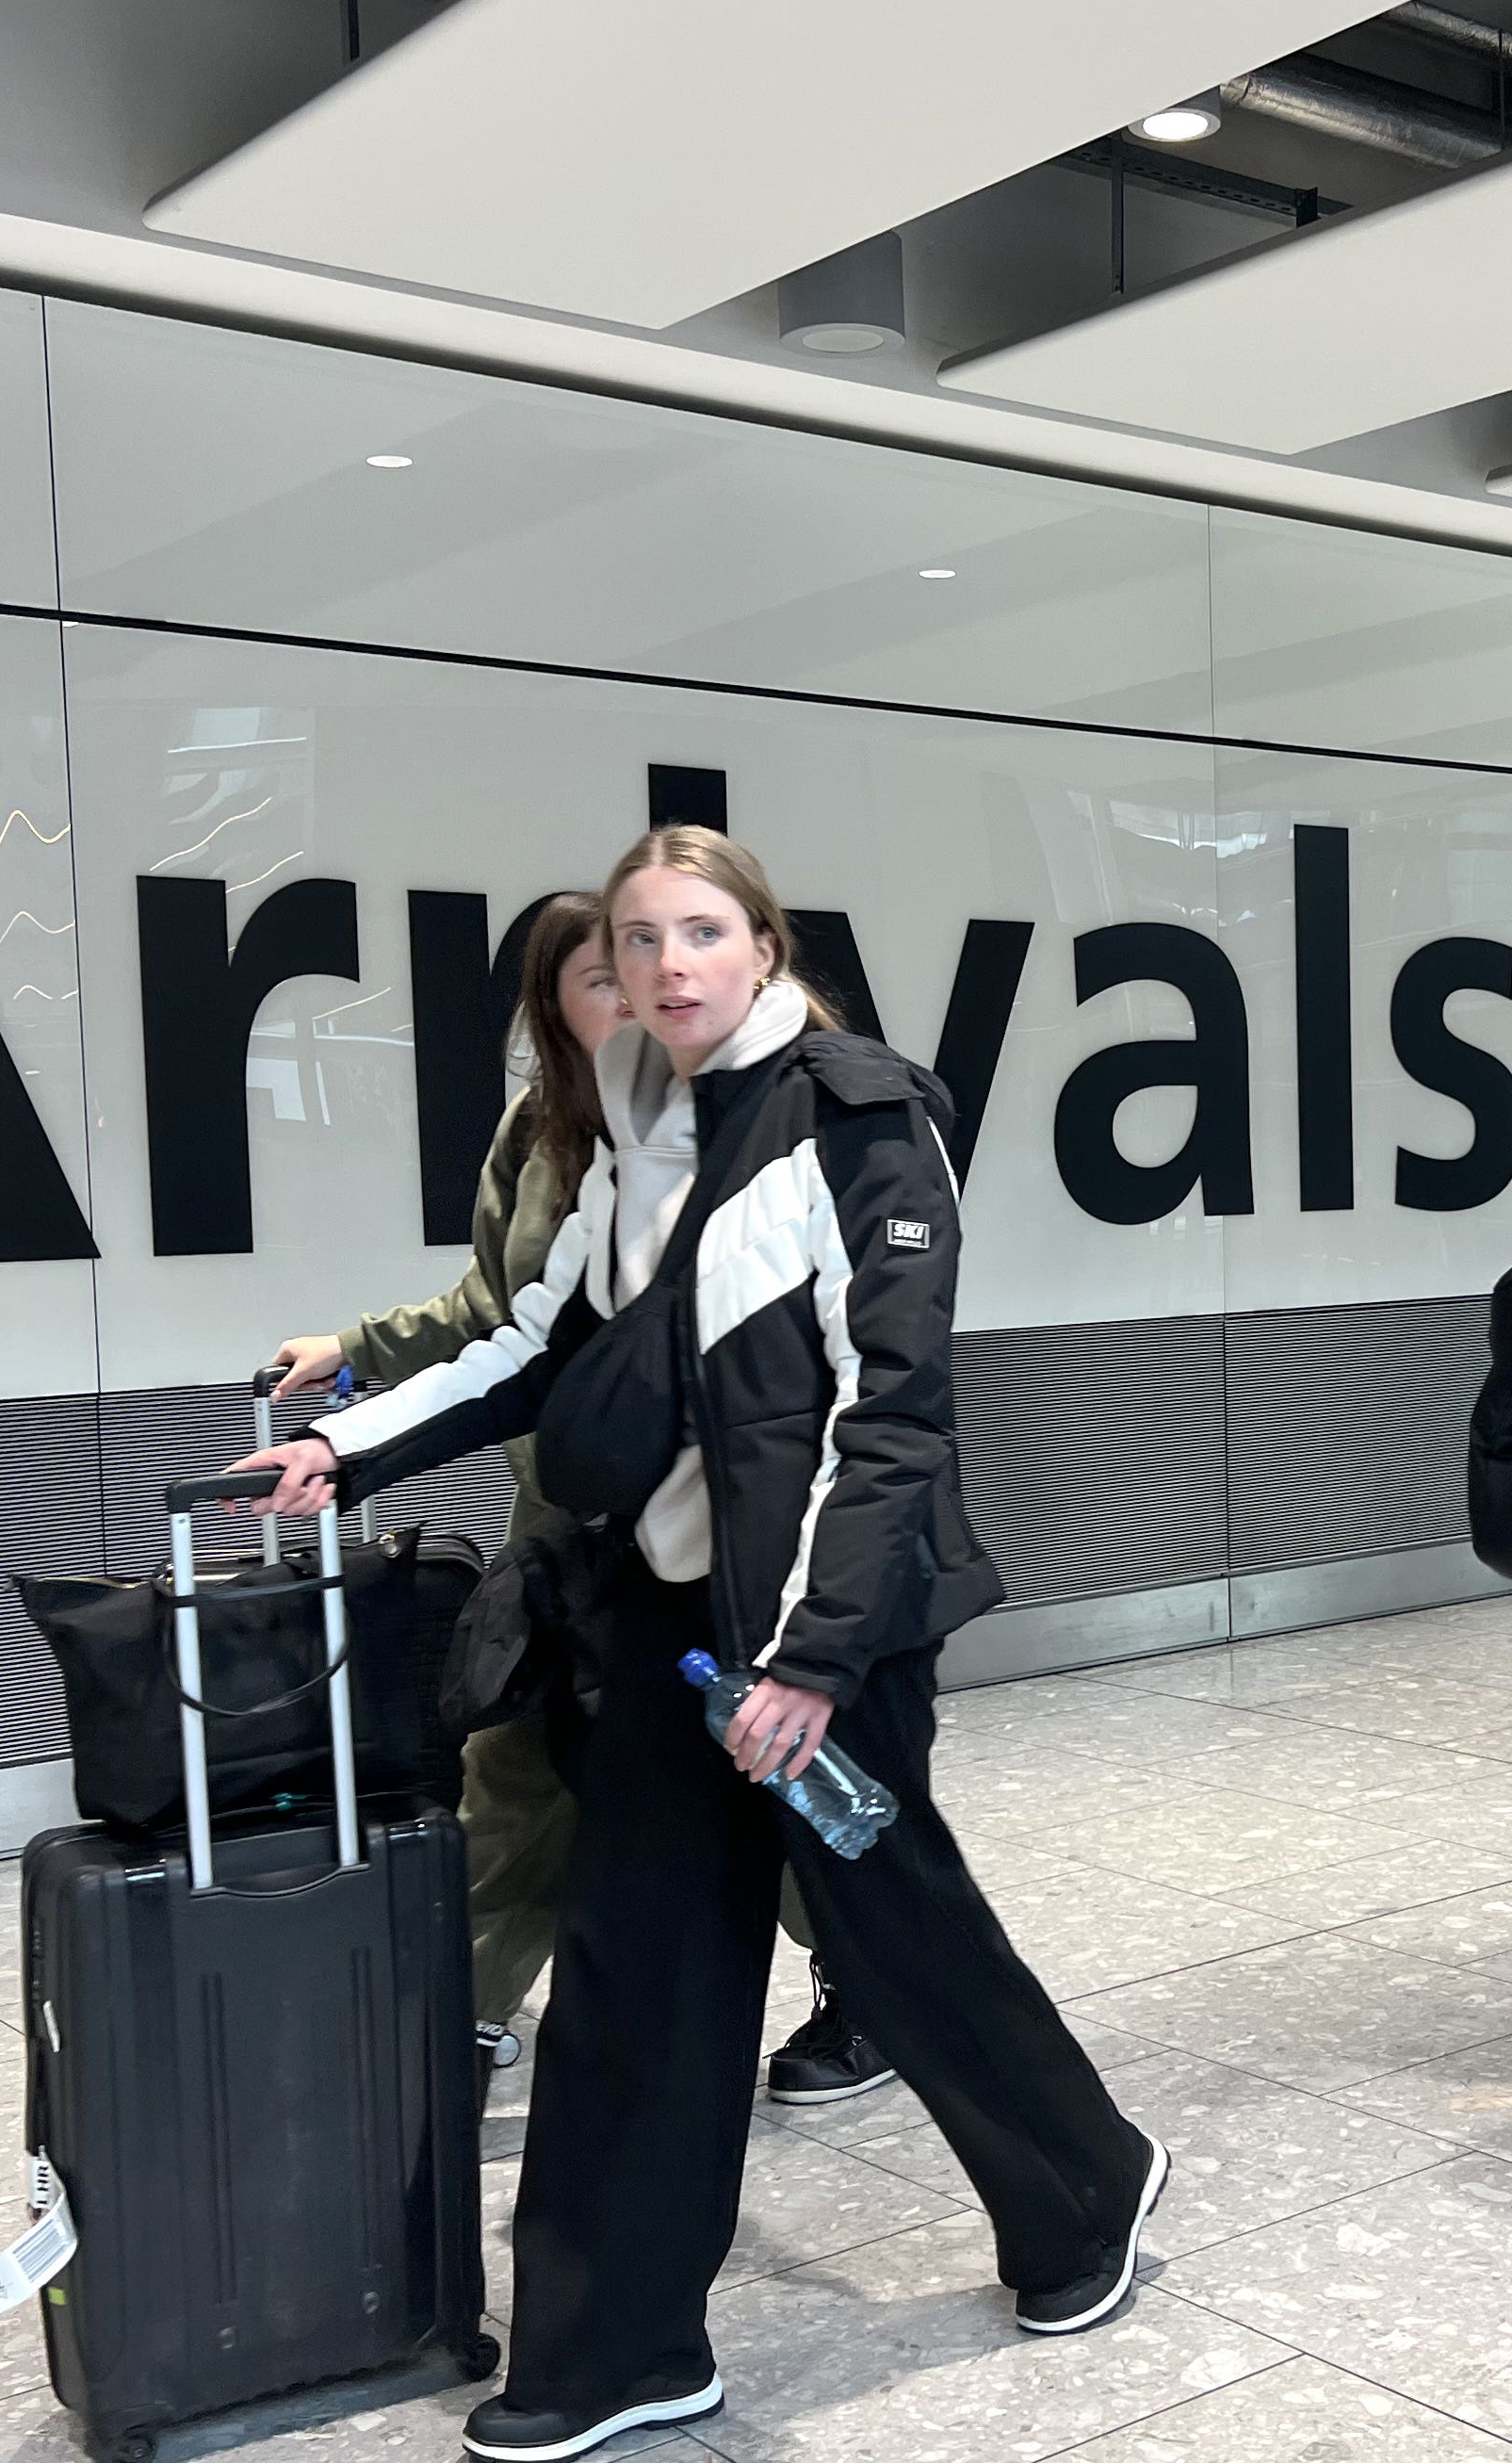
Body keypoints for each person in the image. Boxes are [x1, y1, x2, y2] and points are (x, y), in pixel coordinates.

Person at [217, 826, 1162, 2463]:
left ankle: (1086, 2181)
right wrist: (349, 1447)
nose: (665, 966)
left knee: (889, 1935)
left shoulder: (863, 1116)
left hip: (820, 1624)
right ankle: (617, 2347)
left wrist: (806, 1661)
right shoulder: (636, 1129)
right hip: (663, 1627)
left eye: (700, 932)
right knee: (640, 1970)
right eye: (639, 937)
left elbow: (893, 1414)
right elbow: (536, 1343)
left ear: (763, 944)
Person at [262, 893, 891, 2112]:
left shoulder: (752, 1122)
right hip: (568, 1517)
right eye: (610, 976)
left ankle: (872, 1985)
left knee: (782, 1766)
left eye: (673, 955)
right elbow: (503, 1313)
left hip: (719, 1529)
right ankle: (473, 2007)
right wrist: (353, 1359)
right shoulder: (546, 1135)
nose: (651, 989)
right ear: (557, 1011)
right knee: (513, 1755)